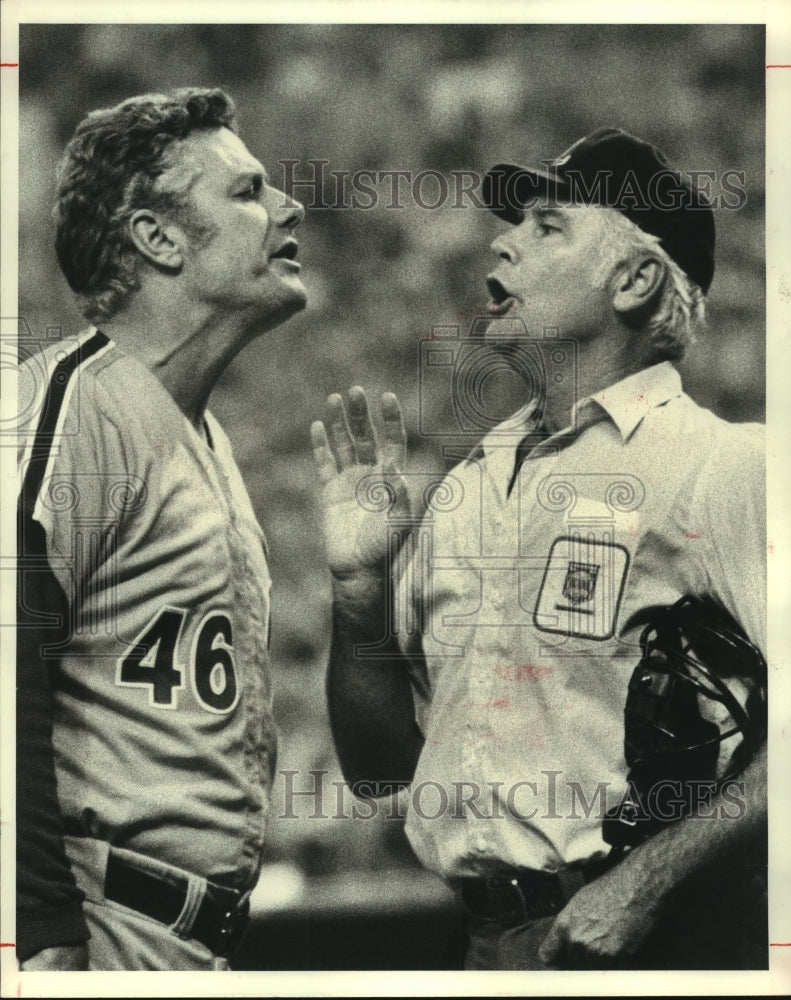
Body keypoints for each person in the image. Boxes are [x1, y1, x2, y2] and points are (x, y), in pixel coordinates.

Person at [312, 128, 767, 970]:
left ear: (632, 281)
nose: (502, 241)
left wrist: (645, 883)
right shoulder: (469, 486)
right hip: (485, 941)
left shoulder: (722, 465)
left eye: (547, 225)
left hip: (657, 939)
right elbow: (379, 770)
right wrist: (357, 587)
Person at [16, 87, 307, 971]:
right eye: (247, 191)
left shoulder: (204, 432)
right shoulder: (67, 409)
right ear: (157, 237)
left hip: (186, 931)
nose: (288, 207)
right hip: (94, 921)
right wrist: (39, 930)